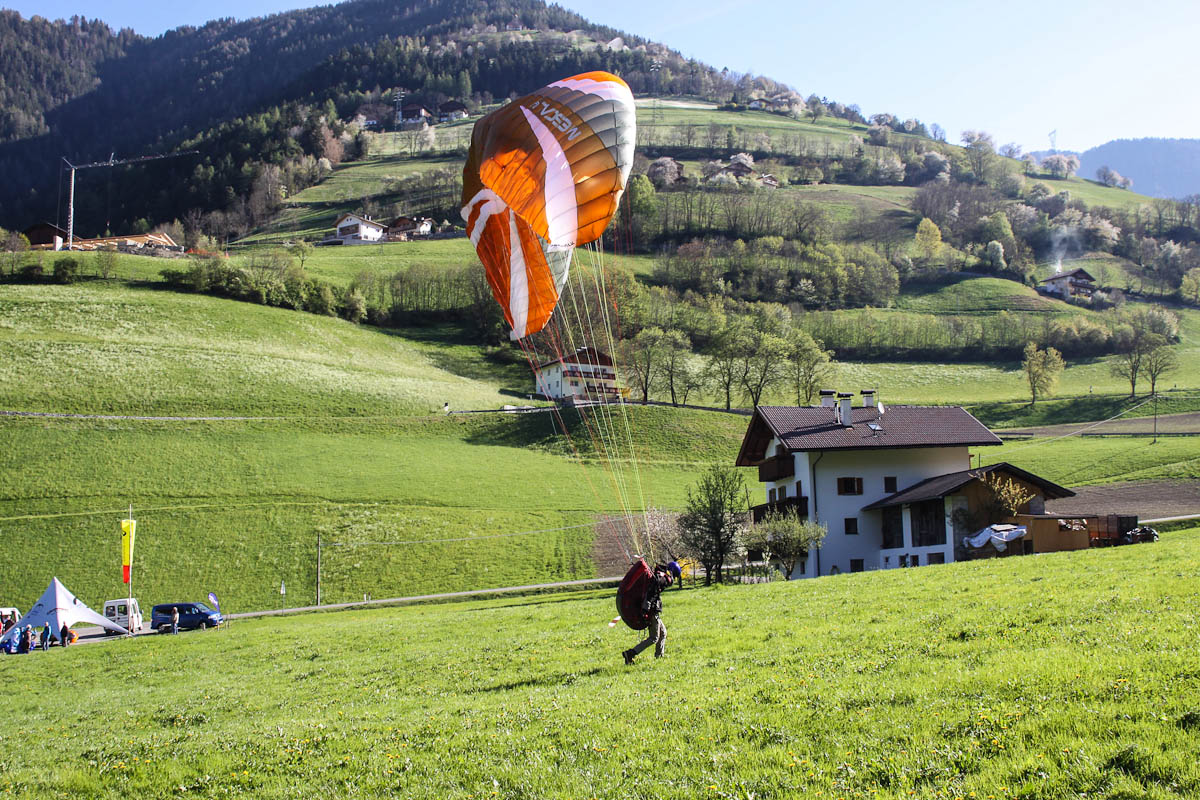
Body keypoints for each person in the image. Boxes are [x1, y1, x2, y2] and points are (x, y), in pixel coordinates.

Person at [623, 561, 681, 665]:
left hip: (652, 609)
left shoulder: (660, 575)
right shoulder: (663, 578)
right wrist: (647, 607)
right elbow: (652, 592)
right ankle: (631, 653)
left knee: (663, 633)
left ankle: (659, 657)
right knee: (654, 638)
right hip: (651, 611)